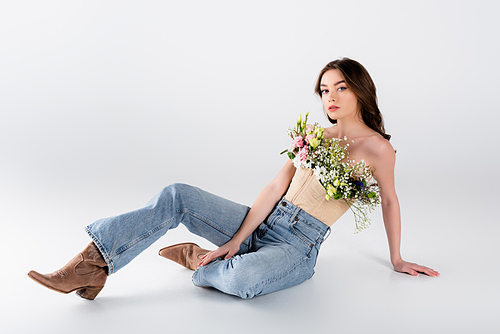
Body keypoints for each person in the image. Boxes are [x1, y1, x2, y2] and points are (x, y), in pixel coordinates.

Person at [27, 58, 439, 300]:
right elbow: (275, 188)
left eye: (340, 87)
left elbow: (389, 201)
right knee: (178, 194)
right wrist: (238, 239)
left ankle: (196, 260)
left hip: (299, 247)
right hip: (263, 221)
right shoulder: (315, 137)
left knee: (243, 278)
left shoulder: (378, 150)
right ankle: (91, 263)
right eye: (323, 90)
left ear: (360, 90)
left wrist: (397, 260)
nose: (329, 97)